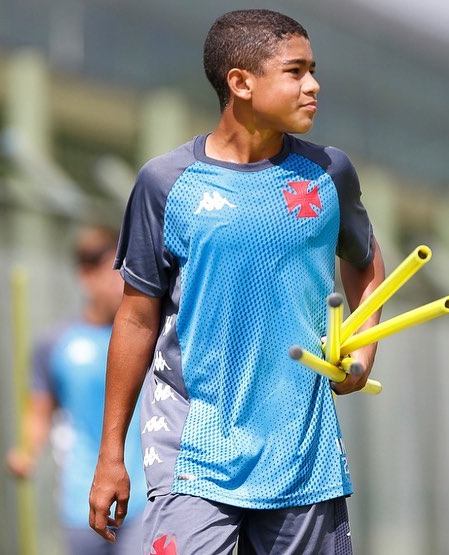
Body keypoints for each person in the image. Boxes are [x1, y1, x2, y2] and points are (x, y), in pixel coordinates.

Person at [89, 9, 386, 554]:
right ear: (241, 83)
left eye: (313, 70)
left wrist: (363, 353)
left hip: (301, 449)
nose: (313, 85)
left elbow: (366, 263)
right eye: (295, 71)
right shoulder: (165, 182)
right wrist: (111, 455)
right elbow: (135, 318)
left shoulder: (330, 173)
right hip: (191, 446)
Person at [6, 226, 145, 555]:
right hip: (81, 501)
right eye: (115, 270)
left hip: (142, 499)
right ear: (87, 275)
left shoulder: (147, 339)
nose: (123, 281)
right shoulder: (55, 345)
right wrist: (27, 452)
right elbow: (39, 413)